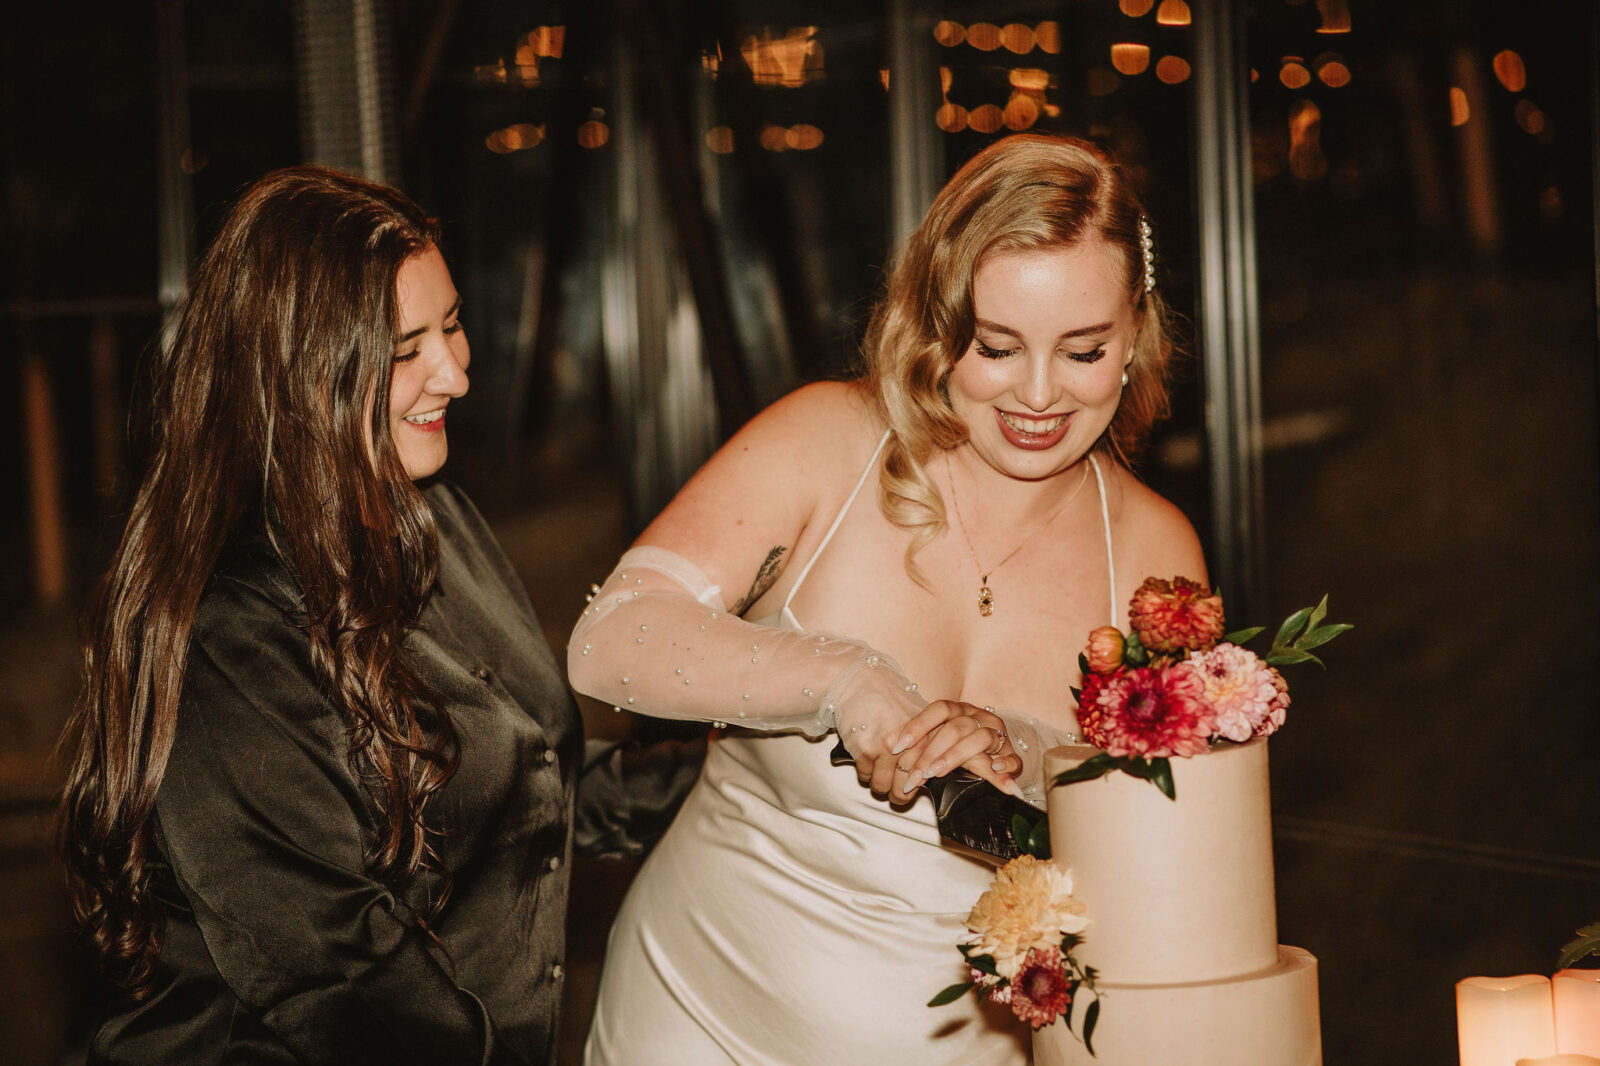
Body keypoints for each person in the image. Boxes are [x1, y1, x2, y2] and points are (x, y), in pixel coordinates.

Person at [567, 133, 1208, 1064]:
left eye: (1083, 350)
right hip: (696, 1018)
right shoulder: (827, 439)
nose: (1038, 393)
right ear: (938, 319)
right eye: (995, 345)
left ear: (1134, 334)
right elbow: (609, 640)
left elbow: (1173, 854)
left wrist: (1031, 755)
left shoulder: (1156, 553)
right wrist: (838, 678)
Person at [57, 165, 700, 1066]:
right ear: (299, 370)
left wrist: (762, 774)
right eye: (406, 350)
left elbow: (529, 780)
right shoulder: (227, 622)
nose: (457, 372)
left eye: (454, 324)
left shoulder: (435, 513)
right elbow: (339, 972)